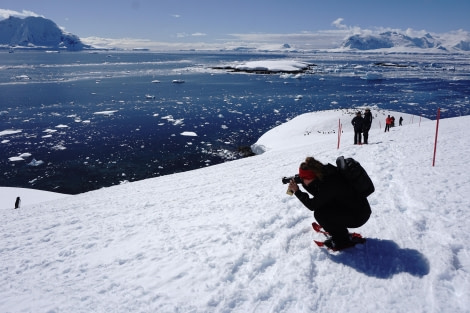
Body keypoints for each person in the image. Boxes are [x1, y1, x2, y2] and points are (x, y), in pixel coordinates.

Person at [288, 157, 371, 250]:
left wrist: (297, 192)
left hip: (359, 216)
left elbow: (312, 205)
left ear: (311, 177)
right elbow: (319, 194)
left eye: (303, 178)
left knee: (320, 214)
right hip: (353, 207)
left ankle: (341, 240)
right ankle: (338, 230)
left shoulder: (329, 184)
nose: (302, 180)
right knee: (322, 207)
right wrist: (303, 182)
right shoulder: (325, 173)